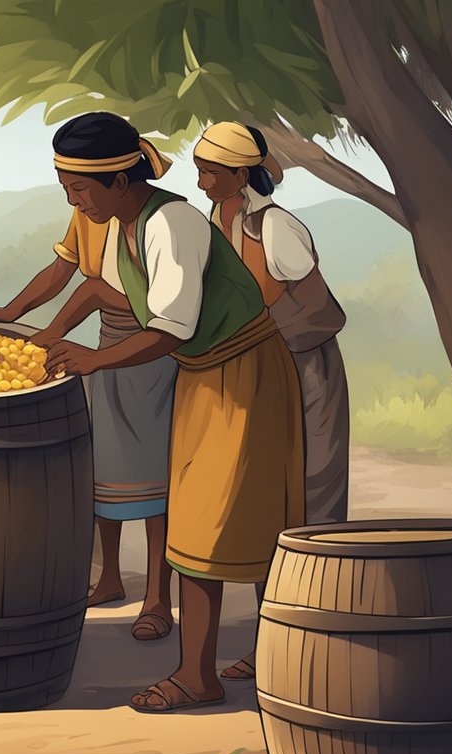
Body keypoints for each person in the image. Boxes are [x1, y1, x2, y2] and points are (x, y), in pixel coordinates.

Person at [39, 112, 305, 713]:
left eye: (81, 189)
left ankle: (200, 674)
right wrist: (50, 334)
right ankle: (254, 657)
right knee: (202, 519)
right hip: (204, 373)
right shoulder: (125, 226)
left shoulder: (172, 223)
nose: (75, 201)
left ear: (120, 180)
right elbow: (108, 292)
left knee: (222, 521)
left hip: (244, 372)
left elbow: (170, 327)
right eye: (66, 190)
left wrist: (95, 360)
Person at [0, 210, 177, 643]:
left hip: (150, 351)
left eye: (79, 186)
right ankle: (111, 578)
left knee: (157, 481)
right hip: (106, 349)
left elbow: (105, 292)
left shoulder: (160, 222)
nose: (74, 198)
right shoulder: (88, 214)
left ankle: (157, 596)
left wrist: (52, 332)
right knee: (105, 472)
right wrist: (12, 310)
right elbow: (63, 270)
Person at [193, 121, 350, 683]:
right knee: (267, 503)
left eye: (212, 171)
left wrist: (253, 338)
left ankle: (315, 645)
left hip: (304, 372)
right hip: (258, 368)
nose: (203, 180)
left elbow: (311, 307)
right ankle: (273, 645)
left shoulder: (276, 227)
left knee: (307, 500)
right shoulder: (218, 219)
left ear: (240, 174)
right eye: (200, 170)